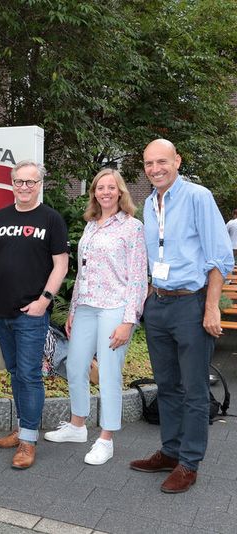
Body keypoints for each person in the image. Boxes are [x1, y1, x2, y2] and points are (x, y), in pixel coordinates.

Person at [129, 139, 233, 493]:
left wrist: (210, 307)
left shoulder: (198, 197)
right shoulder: (148, 203)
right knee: (167, 386)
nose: (155, 169)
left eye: (162, 162)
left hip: (191, 303)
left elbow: (220, 257)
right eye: (148, 164)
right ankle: (170, 451)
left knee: (194, 389)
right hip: (158, 303)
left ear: (177, 160)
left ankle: (189, 462)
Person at [43, 169, 147, 465]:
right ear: (94, 193)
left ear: (120, 192)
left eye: (110, 187)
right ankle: (77, 426)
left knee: (109, 370)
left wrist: (129, 320)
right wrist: (74, 309)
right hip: (87, 305)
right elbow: (83, 272)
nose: (105, 192)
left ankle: (106, 438)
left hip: (115, 306)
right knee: (75, 364)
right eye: (100, 188)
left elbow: (139, 278)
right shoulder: (91, 225)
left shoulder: (132, 227)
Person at [0, 160, 69, 470]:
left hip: (32, 313)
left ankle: (28, 441)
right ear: (12, 183)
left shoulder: (51, 219)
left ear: (40, 184)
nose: (24, 187)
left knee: (29, 374)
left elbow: (61, 264)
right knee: (15, 371)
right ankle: (22, 427)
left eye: (30, 182)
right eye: (18, 182)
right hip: (1, 312)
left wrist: (44, 300)